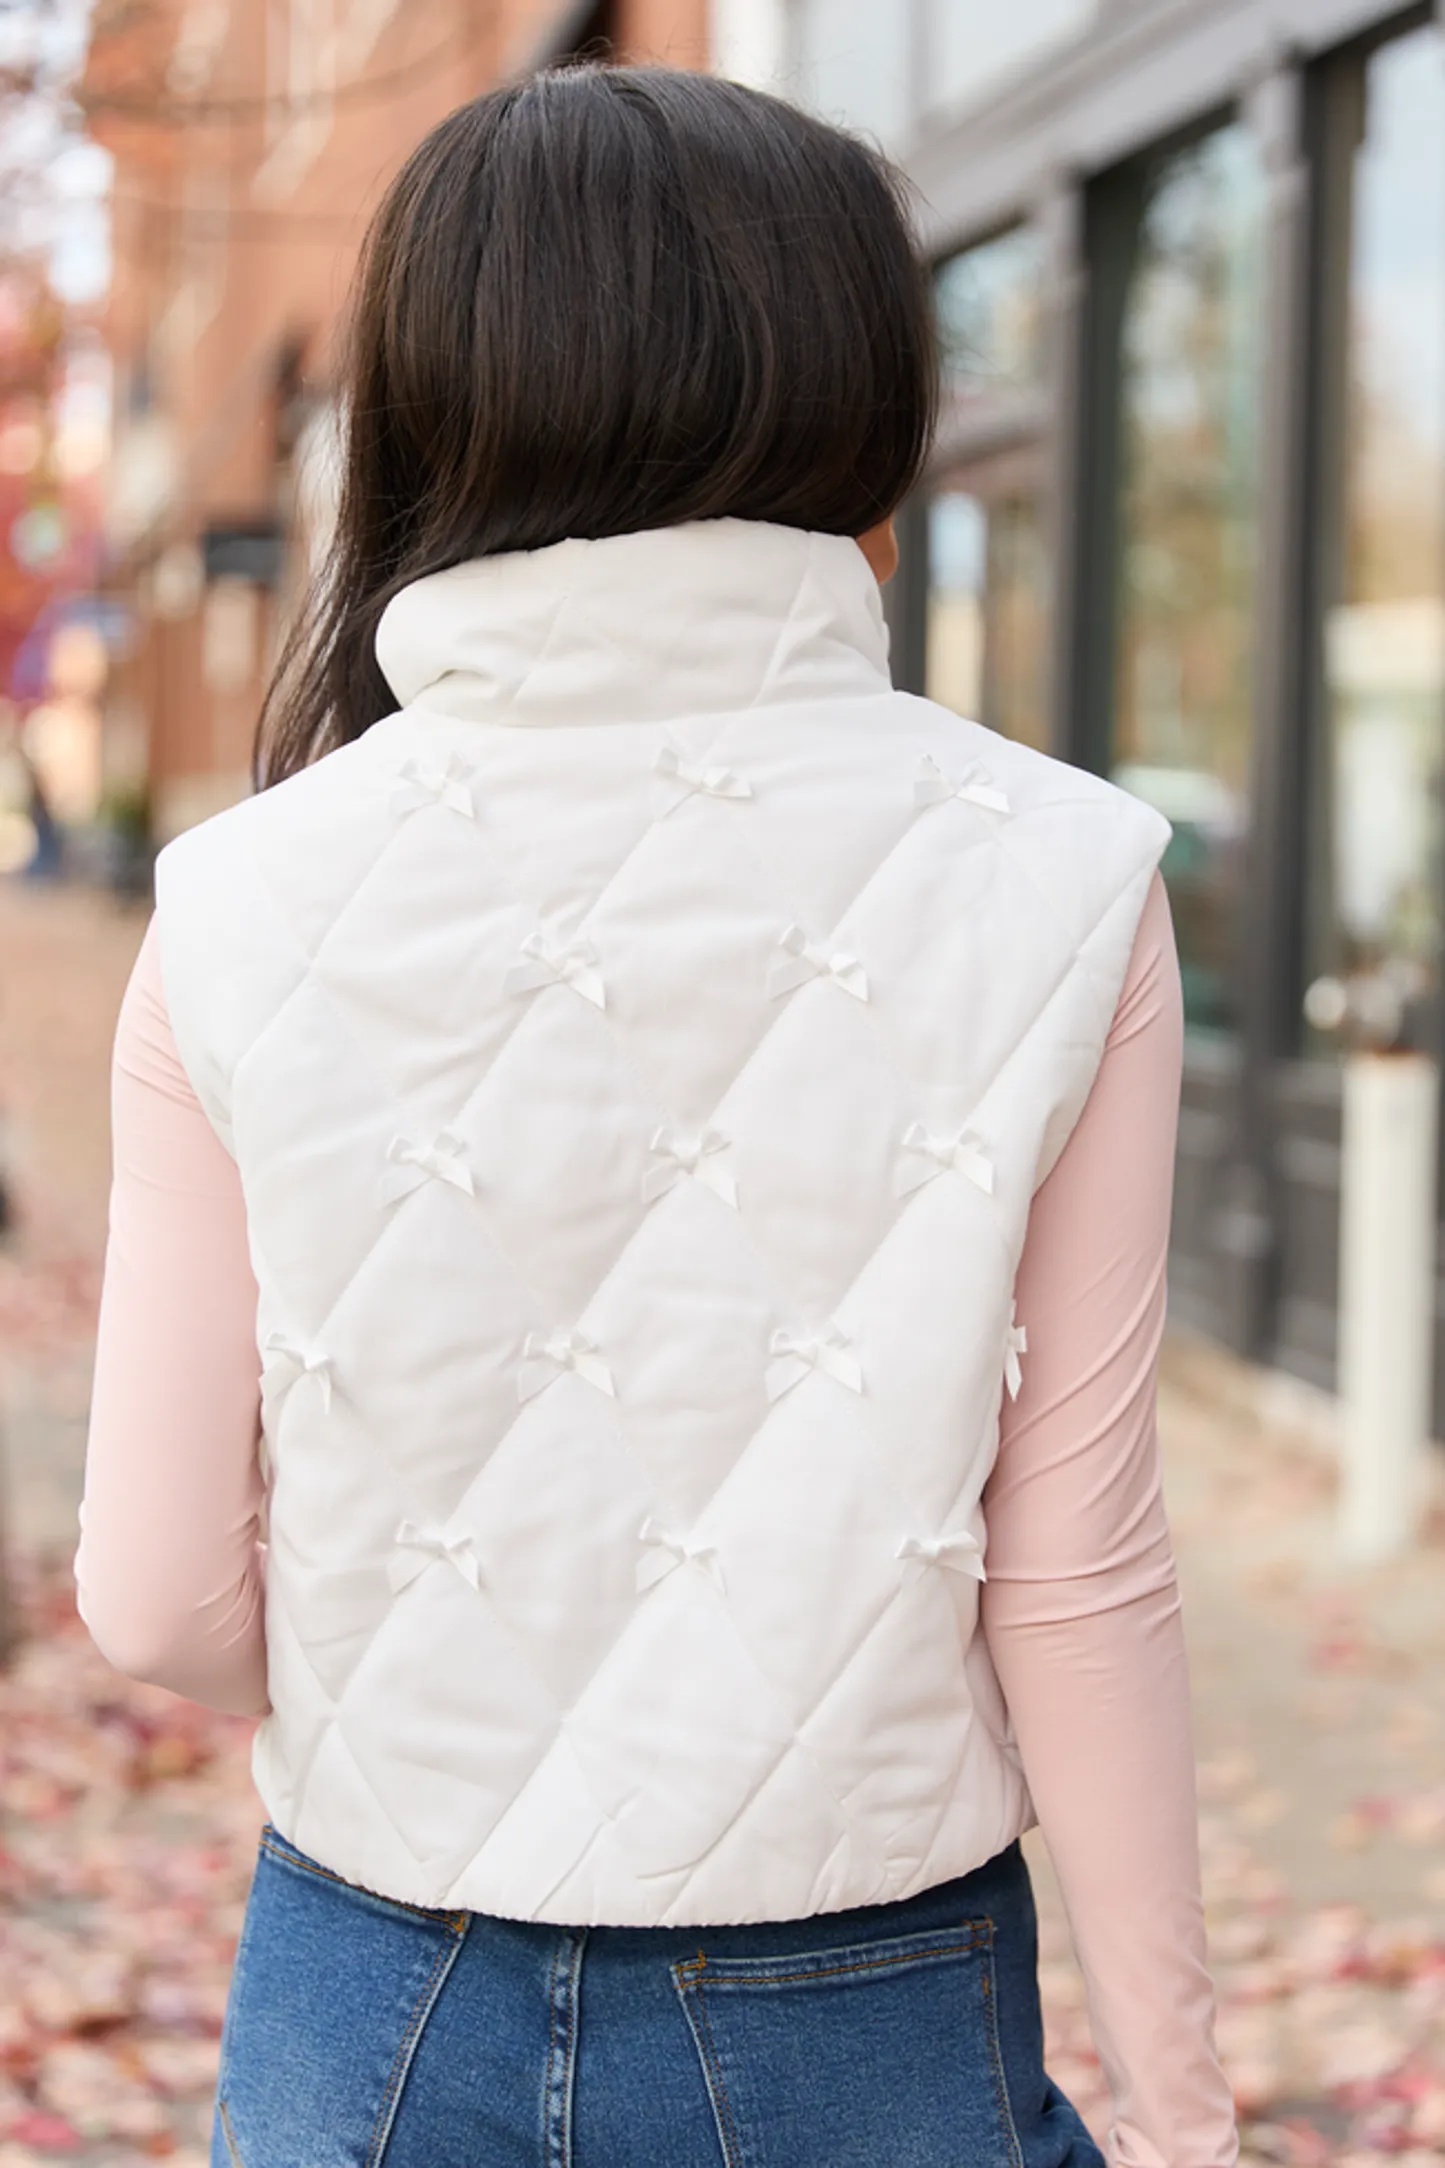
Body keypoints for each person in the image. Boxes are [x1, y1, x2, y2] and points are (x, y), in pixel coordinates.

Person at [77, 64, 1240, 2168]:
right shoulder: (1061, 874)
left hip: (369, 1993)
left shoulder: (236, 902)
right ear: (857, 396)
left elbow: (154, 1596)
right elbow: (1075, 1574)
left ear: (435, 405)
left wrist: (422, 1672)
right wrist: (1183, 2114)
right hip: (868, 2002)